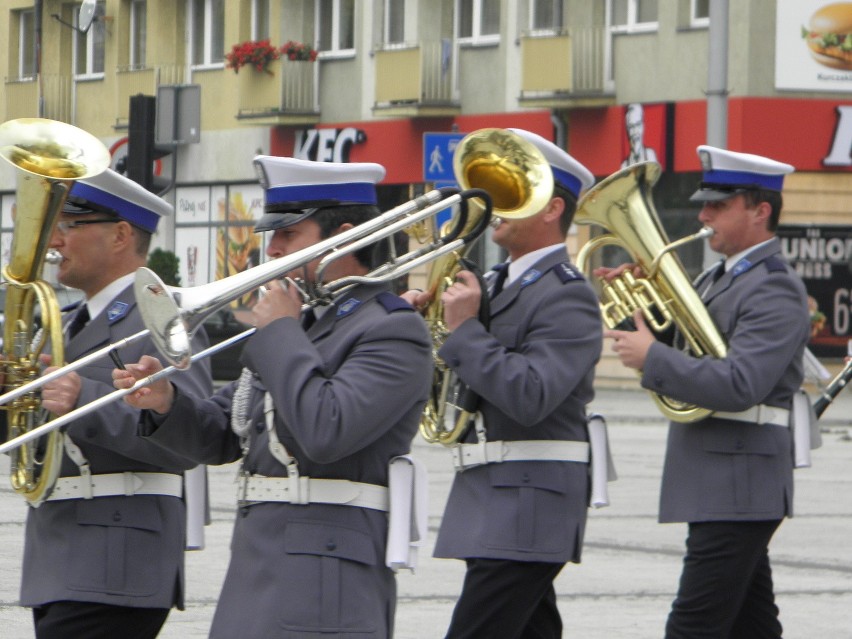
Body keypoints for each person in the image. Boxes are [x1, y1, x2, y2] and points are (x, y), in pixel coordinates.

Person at [113, 157, 433, 639]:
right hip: (257, 565)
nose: (271, 249)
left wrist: (282, 330)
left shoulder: (391, 328)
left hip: (327, 579)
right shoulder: (301, 326)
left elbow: (327, 431)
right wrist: (165, 402)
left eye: (288, 235)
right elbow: (226, 432)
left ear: (343, 237)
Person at [605, 145, 809, 638]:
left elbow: (742, 383)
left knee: (693, 626)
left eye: (718, 206)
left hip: (739, 479)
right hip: (724, 476)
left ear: (760, 211)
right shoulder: (720, 276)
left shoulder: (774, 287)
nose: (703, 215)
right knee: (750, 625)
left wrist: (653, 357)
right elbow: (693, 350)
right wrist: (637, 312)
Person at [406, 128, 604, 639]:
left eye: (517, 192)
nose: (497, 205)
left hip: (530, 500)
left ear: (552, 208)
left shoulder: (569, 295)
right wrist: (416, 328)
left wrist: (466, 330)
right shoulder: (491, 284)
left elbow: (531, 394)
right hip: (494, 496)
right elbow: (459, 371)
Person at [20, 168, 213, 639]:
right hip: (59, 553)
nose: (56, 242)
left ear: (121, 235)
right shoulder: (62, 322)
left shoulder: (163, 319)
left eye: (69, 227)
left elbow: (190, 439)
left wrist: (84, 396)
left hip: (119, 559)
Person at [621, 102, 658, 168]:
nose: (635, 132)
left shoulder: (650, 156)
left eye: (638, 125)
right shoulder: (624, 166)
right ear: (627, 131)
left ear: (643, 127)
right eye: (631, 127)